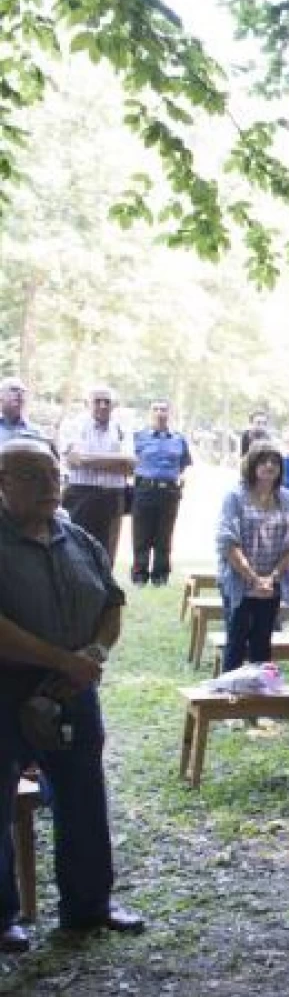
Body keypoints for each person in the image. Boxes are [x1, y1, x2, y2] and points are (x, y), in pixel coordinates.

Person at [0, 436, 144, 952]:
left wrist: (93, 658)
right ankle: (3, 919)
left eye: (54, 475)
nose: (49, 485)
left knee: (83, 795)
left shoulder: (79, 538)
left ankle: (88, 905)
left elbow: (111, 603)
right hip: (9, 689)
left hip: (74, 690)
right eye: (33, 476)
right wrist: (61, 660)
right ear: (3, 483)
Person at [215, 443, 289, 672]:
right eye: (263, 461)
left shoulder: (288, 499)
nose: (269, 466)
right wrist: (253, 578)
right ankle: (227, 697)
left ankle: (259, 698)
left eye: (274, 462)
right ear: (252, 465)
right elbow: (227, 541)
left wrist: (272, 578)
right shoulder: (234, 496)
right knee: (236, 641)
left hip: (272, 581)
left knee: (262, 644)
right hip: (239, 580)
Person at [59, 386, 134, 570]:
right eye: (97, 401)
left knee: (107, 552)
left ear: (113, 405)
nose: (102, 405)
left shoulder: (122, 429)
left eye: (107, 402)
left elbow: (130, 465)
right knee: (76, 547)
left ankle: (105, 595)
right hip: (80, 495)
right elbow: (74, 459)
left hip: (112, 497)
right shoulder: (72, 425)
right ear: (87, 404)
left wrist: (88, 459)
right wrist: (116, 461)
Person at [130, 398, 193, 587]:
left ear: (170, 414)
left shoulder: (179, 439)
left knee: (164, 534)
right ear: (150, 413)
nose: (160, 413)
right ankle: (140, 573)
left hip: (169, 492)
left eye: (164, 410)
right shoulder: (139, 437)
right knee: (141, 533)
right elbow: (130, 460)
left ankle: (160, 575)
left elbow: (183, 464)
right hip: (144, 489)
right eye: (156, 409)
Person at [0, 377, 39, 444]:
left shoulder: (36, 432)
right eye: (14, 389)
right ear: (1, 395)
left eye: (23, 391)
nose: (19, 393)